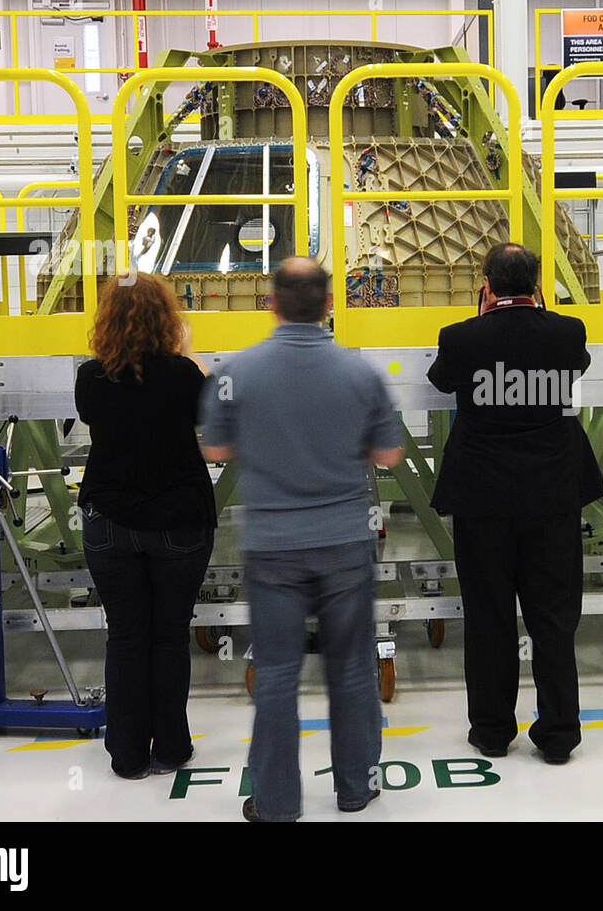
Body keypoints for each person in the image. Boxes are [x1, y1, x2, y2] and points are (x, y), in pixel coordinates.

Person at [200, 257, 403, 822]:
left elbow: (215, 449)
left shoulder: (238, 371)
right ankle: (357, 788)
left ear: (271, 303)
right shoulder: (360, 373)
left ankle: (275, 803)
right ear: (330, 305)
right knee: (353, 669)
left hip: (272, 545)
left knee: (278, 675)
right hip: (344, 540)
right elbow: (388, 454)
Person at [427, 242, 603, 765]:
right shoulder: (567, 331)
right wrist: (542, 312)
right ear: (536, 286)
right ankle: (557, 735)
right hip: (551, 496)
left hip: (483, 499)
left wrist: (482, 320)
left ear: (486, 285)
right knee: (553, 617)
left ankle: (491, 731)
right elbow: (576, 366)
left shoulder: (460, 338)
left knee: (488, 615)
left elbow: (440, 380)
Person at [75, 270, 216, 781]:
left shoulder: (91, 379)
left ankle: (127, 754)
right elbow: (205, 410)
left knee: (126, 636)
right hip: (178, 520)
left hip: (109, 520)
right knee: (170, 635)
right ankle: (172, 748)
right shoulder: (183, 375)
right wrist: (188, 351)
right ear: (168, 320)